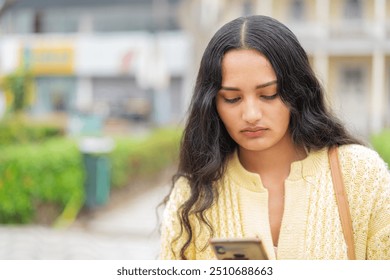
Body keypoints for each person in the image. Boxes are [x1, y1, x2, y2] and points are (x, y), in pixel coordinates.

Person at [159, 15, 390, 260]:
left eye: (269, 94)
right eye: (232, 99)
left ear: (297, 91)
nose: (250, 115)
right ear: (212, 104)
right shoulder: (193, 193)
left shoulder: (360, 174)